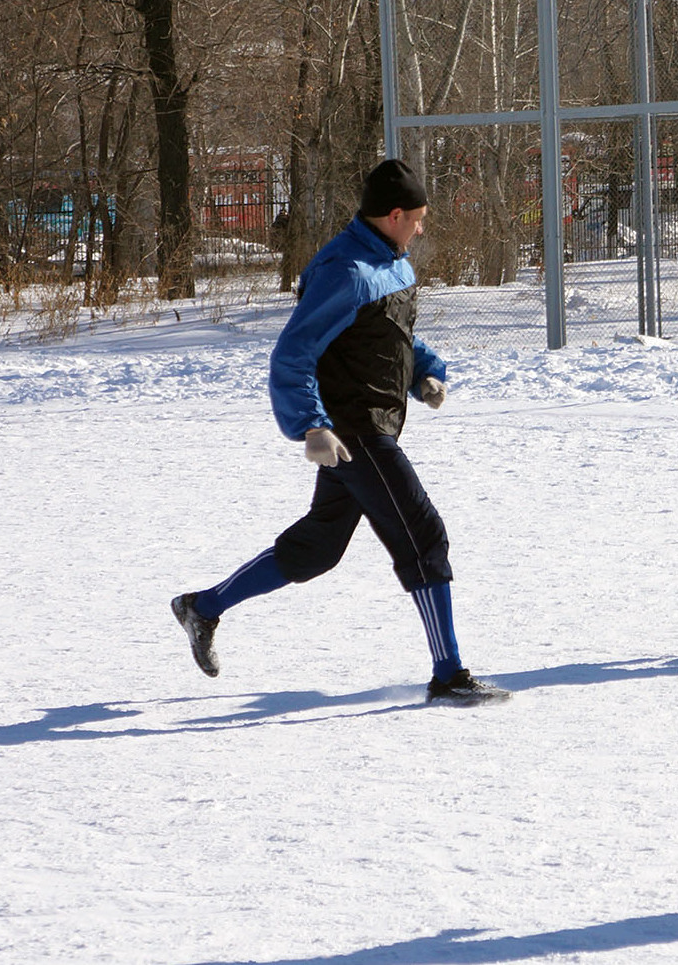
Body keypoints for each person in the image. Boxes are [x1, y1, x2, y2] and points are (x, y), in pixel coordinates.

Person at [171, 159, 507, 705]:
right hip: (355, 431)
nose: (421, 228)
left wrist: (426, 370)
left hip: (377, 423)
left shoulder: (391, 264)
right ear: (394, 215)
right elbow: (293, 355)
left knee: (318, 549)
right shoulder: (343, 271)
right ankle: (449, 676)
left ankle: (201, 607)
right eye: (417, 218)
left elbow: (392, 335)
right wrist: (311, 425)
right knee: (423, 536)